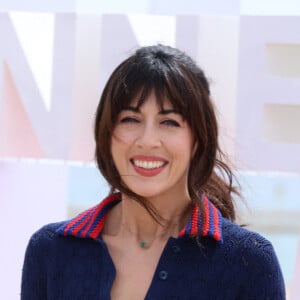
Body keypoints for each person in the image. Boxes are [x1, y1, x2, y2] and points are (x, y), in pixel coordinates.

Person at [21, 44, 286, 299]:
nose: (148, 140)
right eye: (130, 119)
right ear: (106, 133)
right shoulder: (51, 250)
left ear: (197, 140)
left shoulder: (249, 262)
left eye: (169, 122)